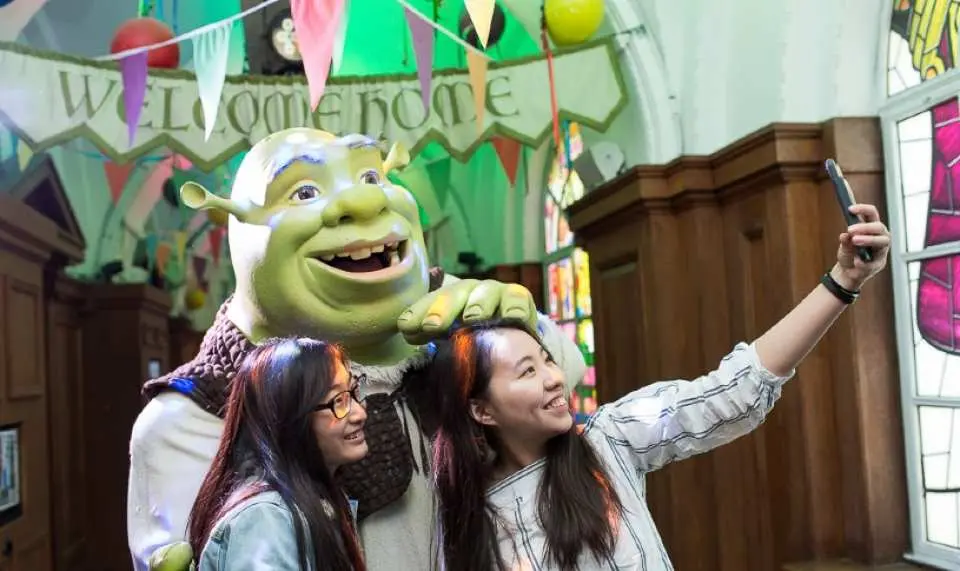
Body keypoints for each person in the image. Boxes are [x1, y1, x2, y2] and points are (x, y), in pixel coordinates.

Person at [133, 128, 588, 571]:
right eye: (304, 192)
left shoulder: (456, 333)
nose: (365, 201)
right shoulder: (190, 422)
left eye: (372, 177)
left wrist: (514, 330)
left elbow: (562, 383)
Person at [429, 204, 891, 570]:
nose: (554, 378)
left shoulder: (609, 439)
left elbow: (734, 391)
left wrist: (842, 282)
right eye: (527, 372)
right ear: (481, 411)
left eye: (547, 360)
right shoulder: (470, 521)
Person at [187, 337, 367, 571]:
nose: (360, 414)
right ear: (289, 419)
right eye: (338, 401)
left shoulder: (317, 502)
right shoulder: (265, 519)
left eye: (353, 392)